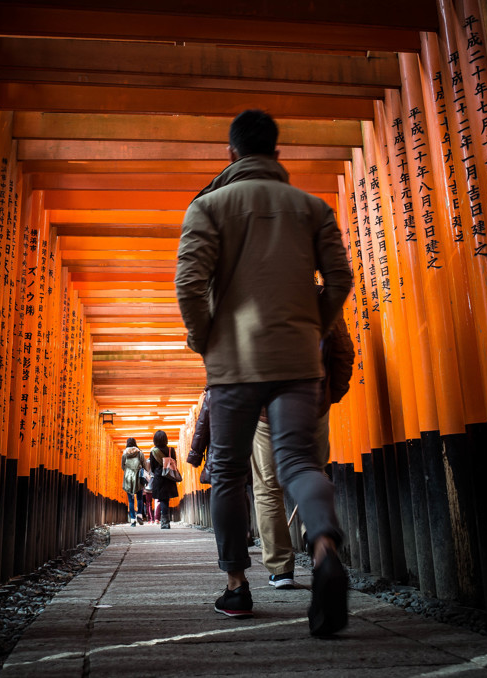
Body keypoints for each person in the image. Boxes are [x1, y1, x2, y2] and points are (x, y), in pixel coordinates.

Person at [175, 109, 353, 635]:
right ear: (277, 153)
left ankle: (236, 588)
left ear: (231, 155)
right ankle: (323, 547)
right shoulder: (311, 207)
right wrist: (310, 325)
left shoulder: (207, 207)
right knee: (299, 461)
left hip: (233, 365)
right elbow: (339, 279)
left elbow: (189, 284)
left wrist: (205, 339)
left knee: (229, 472)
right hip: (298, 359)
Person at [251, 300, 354, 590]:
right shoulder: (320, 296)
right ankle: (323, 549)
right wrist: (329, 396)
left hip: (264, 413)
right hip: (312, 404)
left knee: (268, 489)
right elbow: (344, 352)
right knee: (311, 471)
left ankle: (281, 569)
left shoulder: (248, 292)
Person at [147, 430, 178, 529]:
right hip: (169, 477)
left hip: (159, 477)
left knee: (162, 499)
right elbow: (174, 463)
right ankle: (165, 521)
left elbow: (152, 466)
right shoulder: (171, 450)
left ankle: (164, 522)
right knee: (166, 499)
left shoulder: (153, 452)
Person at [120, 438, 146, 526]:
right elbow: (144, 465)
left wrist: (127, 471)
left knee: (131, 500)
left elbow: (122, 466)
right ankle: (139, 515)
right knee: (139, 498)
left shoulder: (124, 453)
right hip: (138, 477)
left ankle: (132, 520)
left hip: (128, 478)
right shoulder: (139, 453)